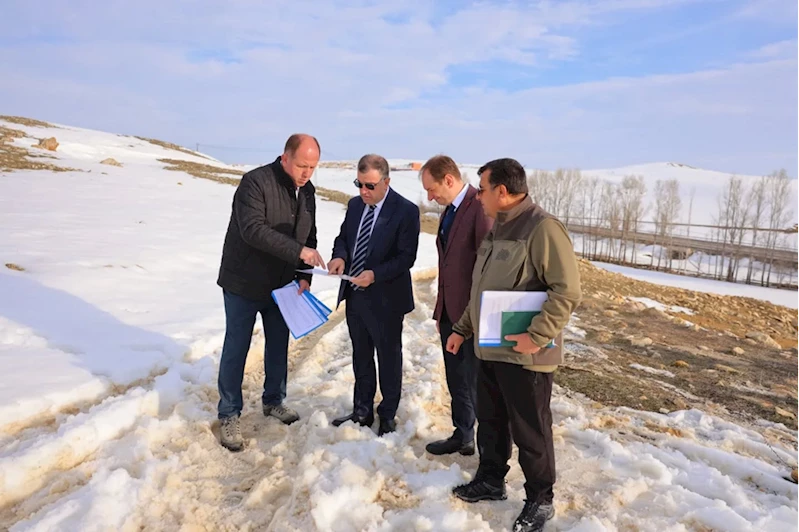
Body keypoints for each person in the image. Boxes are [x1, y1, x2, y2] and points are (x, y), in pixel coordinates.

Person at [445, 158, 581, 532]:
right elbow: (483, 290)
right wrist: (462, 329)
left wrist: (536, 336)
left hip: (525, 354)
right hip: (490, 347)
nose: (478, 197)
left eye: (483, 190)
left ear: (502, 191)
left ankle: (541, 499)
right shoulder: (498, 228)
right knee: (491, 421)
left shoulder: (543, 228)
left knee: (531, 430)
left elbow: (567, 291)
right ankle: (491, 480)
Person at [215, 133, 327, 452]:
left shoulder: (308, 191)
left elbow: (309, 235)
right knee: (237, 346)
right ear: (285, 157)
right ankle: (229, 413)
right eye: (302, 166)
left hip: (282, 285)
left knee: (278, 344)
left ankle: (274, 400)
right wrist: (299, 252)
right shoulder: (255, 182)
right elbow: (253, 230)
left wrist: (304, 275)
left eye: (313, 167)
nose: (307, 173)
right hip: (244, 282)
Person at [327, 154, 420, 436]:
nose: (364, 191)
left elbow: (406, 257)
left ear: (386, 182)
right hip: (355, 295)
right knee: (361, 355)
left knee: (389, 358)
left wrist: (375, 275)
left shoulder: (406, 210)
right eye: (359, 184)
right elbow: (344, 238)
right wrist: (339, 257)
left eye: (370, 185)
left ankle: (388, 414)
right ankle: (362, 411)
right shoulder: (355, 205)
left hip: (387, 299)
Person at [419, 155, 492, 456]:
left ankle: (490, 453)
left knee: (476, 383)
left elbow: (486, 269)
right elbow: (447, 266)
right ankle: (463, 435)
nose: (429, 197)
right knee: (456, 378)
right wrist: (442, 311)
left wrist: (471, 318)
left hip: (473, 317)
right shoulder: (449, 210)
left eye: (432, 189)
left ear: (448, 180)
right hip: (450, 313)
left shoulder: (479, 208)